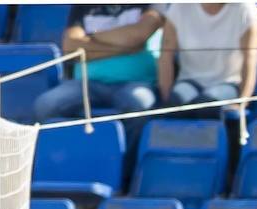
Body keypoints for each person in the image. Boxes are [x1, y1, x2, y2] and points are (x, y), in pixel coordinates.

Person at [33, 4, 164, 124]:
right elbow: (71, 46)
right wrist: (127, 46)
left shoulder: (150, 4)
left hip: (136, 83)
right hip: (86, 83)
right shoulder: (84, 6)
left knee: (140, 104)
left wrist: (91, 37)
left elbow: (137, 35)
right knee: (45, 105)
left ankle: (128, 151)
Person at [157, 2, 257, 113]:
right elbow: (165, 57)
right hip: (188, 82)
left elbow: (250, 61)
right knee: (175, 103)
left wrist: (241, 103)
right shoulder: (179, 6)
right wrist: (167, 99)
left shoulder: (246, 8)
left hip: (229, 84)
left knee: (207, 106)